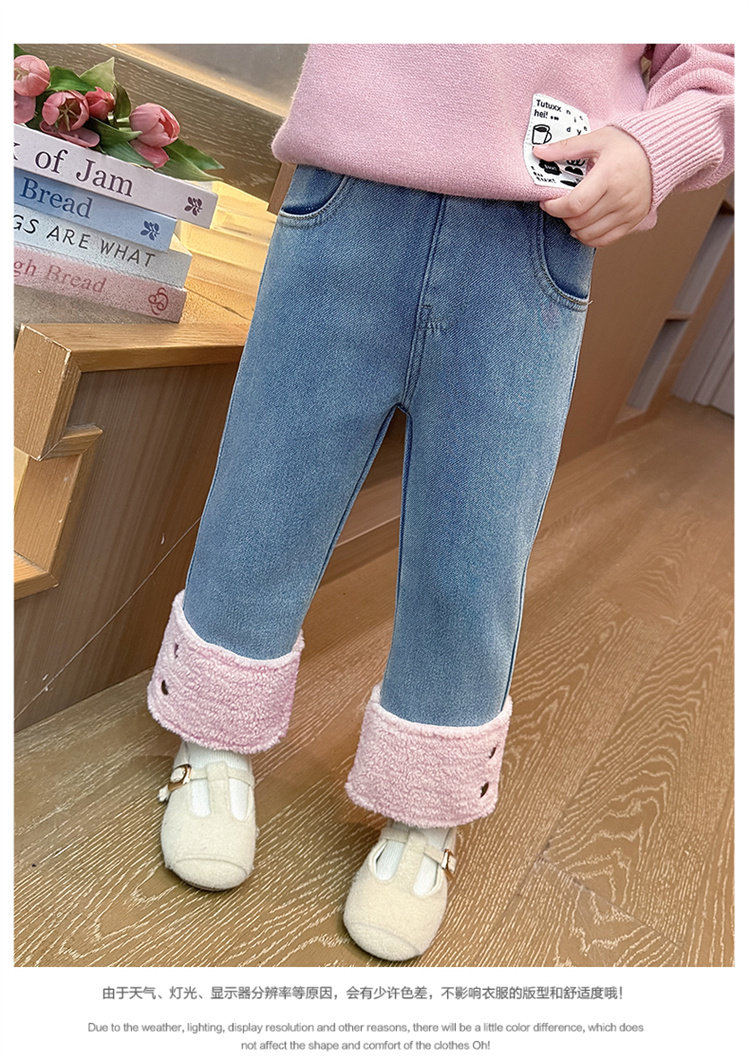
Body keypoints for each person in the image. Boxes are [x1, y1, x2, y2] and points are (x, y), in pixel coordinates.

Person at [148, 44, 734, 961]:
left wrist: (658, 146)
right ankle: (213, 734)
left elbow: (719, 58)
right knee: (271, 483)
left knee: (476, 545)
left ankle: (428, 806)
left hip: (534, 233)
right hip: (354, 181)